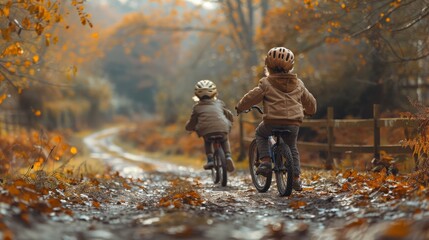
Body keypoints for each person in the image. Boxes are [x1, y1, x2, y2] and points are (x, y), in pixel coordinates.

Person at [235, 47, 317, 191]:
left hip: (271, 121)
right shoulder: (299, 84)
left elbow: (252, 97)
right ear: (291, 67)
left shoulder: (266, 83)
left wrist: (240, 107)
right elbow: (311, 103)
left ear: (267, 66)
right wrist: (310, 111)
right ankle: (296, 178)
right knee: (292, 147)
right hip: (293, 123)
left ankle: (266, 161)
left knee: (261, 134)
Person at [185, 80, 235, 172]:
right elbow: (229, 115)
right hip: (222, 127)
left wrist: (188, 128)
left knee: (207, 141)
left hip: (206, 131)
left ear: (197, 94)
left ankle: (210, 159)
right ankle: (228, 156)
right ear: (214, 93)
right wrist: (231, 121)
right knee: (224, 139)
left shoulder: (197, 107)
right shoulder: (219, 103)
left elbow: (192, 122)